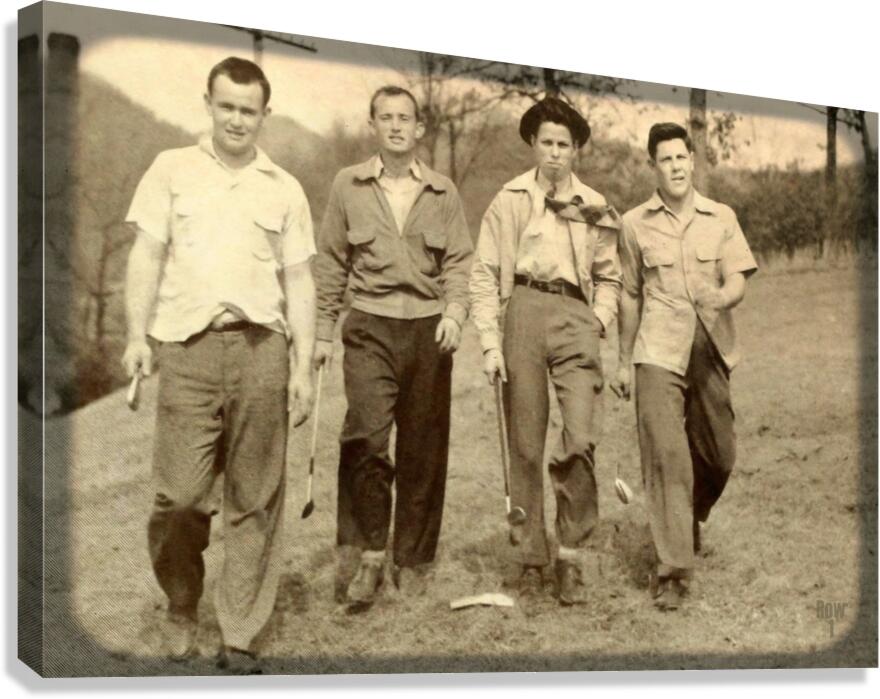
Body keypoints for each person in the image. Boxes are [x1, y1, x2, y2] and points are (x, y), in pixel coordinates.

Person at [122, 57, 316, 670]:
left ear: (265, 115)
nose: (237, 119)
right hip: (187, 349)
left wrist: (304, 365)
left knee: (255, 499)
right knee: (179, 498)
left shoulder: (283, 186)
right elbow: (146, 256)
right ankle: (183, 603)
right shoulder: (170, 170)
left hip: (263, 350)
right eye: (226, 106)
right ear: (207, 104)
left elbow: (301, 280)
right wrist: (135, 335)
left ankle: (240, 633)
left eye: (248, 110)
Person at [313, 85, 473, 611]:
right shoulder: (348, 185)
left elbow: (459, 265)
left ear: (420, 129)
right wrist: (321, 333)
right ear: (373, 126)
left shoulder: (443, 192)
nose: (397, 126)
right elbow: (332, 261)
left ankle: (413, 558)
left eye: (406, 118)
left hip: (429, 330)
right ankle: (369, 553)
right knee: (365, 436)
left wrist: (454, 314)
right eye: (387, 118)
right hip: (370, 328)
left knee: (423, 449)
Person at [469, 97, 622, 606]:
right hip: (523, 314)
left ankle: (572, 557)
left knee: (579, 437)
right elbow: (485, 275)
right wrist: (491, 343)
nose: (555, 153)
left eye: (564, 144)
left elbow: (609, 276)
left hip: (575, 314)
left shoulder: (595, 205)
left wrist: (596, 319)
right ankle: (532, 556)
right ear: (534, 145)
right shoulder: (508, 199)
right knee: (527, 444)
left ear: (576, 149)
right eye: (547, 143)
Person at [611, 122, 758, 610]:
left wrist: (723, 294)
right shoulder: (634, 224)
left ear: (692, 160)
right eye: (664, 159)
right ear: (653, 166)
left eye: (681, 157)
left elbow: (737, 276)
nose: (674, 166)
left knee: (720, 455)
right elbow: (629, 295)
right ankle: (673, 569)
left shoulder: (721, 216)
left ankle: (689, 514)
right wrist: (622, 358)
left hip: (710, 345)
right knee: (665, 455)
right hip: (656, 349)